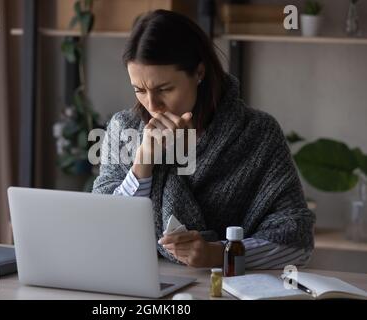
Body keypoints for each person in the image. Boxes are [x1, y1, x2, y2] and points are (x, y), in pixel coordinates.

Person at [92, 10, 315, 269]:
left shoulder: (257, 133)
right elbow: (105, 230)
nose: (152, 104)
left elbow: (297, 241)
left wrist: (220, 254)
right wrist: (143, 163)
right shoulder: (123, 128)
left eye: (164, 89)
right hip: (142, 284)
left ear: (199, 73)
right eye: (139, 90)